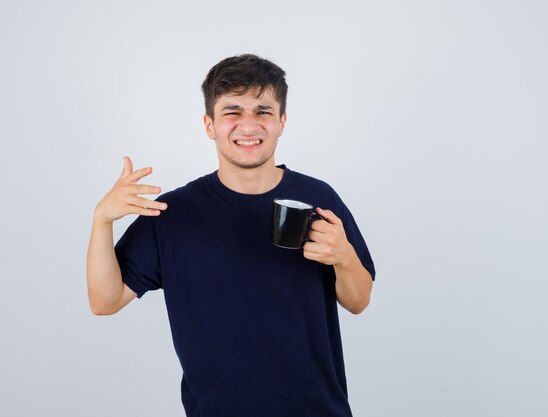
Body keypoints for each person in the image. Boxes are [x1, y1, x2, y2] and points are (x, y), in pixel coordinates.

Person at [86, 54, 376, 416]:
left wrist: (344, 258)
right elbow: (105, 301)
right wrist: (102, 221)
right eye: (232, 112)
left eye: (263, 111)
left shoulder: (319, 199)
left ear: (282, 122)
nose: (248, 126)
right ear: (209, 124)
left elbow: (359, 300)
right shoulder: (172, 215)